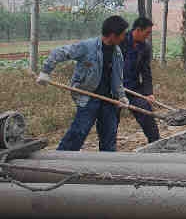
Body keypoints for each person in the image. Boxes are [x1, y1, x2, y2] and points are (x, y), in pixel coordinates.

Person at [36, 16, 129, 152]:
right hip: (88, 97)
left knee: (109, 137)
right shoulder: (87, 47)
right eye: (123, 34)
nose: (124, 37)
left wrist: (121, 96)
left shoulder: (117, 53)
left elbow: (117, 78)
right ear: (113, 35)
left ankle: (107, 166)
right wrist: (45, 72)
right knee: (78, 132)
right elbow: (59, 52)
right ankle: (60, 161)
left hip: (109, 99)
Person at [120, 17, 160, 144]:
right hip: (114, 89)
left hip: (133, 88)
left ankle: (156, 143)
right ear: (137, 30)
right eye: (147, 33)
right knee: (110, 120)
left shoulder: (145, 47)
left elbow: (146, 72)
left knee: (146, 112)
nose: (147, 36)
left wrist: (149, 93)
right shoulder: (120, 40)